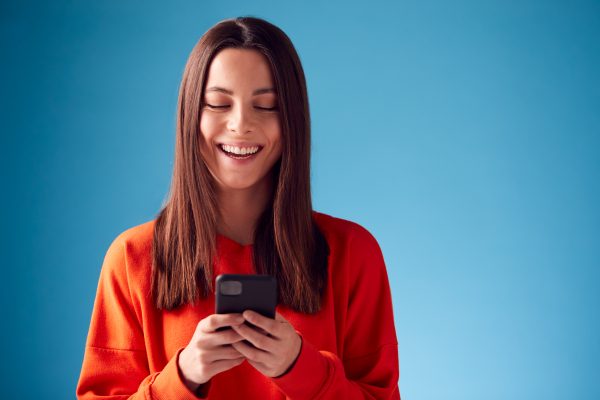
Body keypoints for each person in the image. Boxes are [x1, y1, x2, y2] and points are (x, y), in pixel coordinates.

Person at [76, 16, 400, 399]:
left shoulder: (353, 252)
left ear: (292, 121)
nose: (240, 124)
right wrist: (183, 375)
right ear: (190, 117)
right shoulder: (131, 258)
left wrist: (301, 368)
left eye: (266, 106)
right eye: (218, 104)